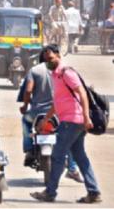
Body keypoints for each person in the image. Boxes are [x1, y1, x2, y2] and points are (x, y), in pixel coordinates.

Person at [30, 44, 101, 203]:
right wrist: (46, 120)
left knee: (57, 156)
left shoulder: (66, 72)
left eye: (50, 58)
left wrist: (86, 117)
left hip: (72, 121)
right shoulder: (55, 76)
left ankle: (50, 192)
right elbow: (57, 103)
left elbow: (82, 92)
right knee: (80, 157)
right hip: (71, 121)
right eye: (45, 60)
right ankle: (94, 191)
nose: (48, 62)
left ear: (58, 55)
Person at [20, 50, 83, 182]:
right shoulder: (62, 71)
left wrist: (25, 106)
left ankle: (29, 148)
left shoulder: (35, 70)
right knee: (68, 138)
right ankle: (72, 168)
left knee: (25, 120)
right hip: (59, 113)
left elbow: (28, 90)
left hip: (37, 112)